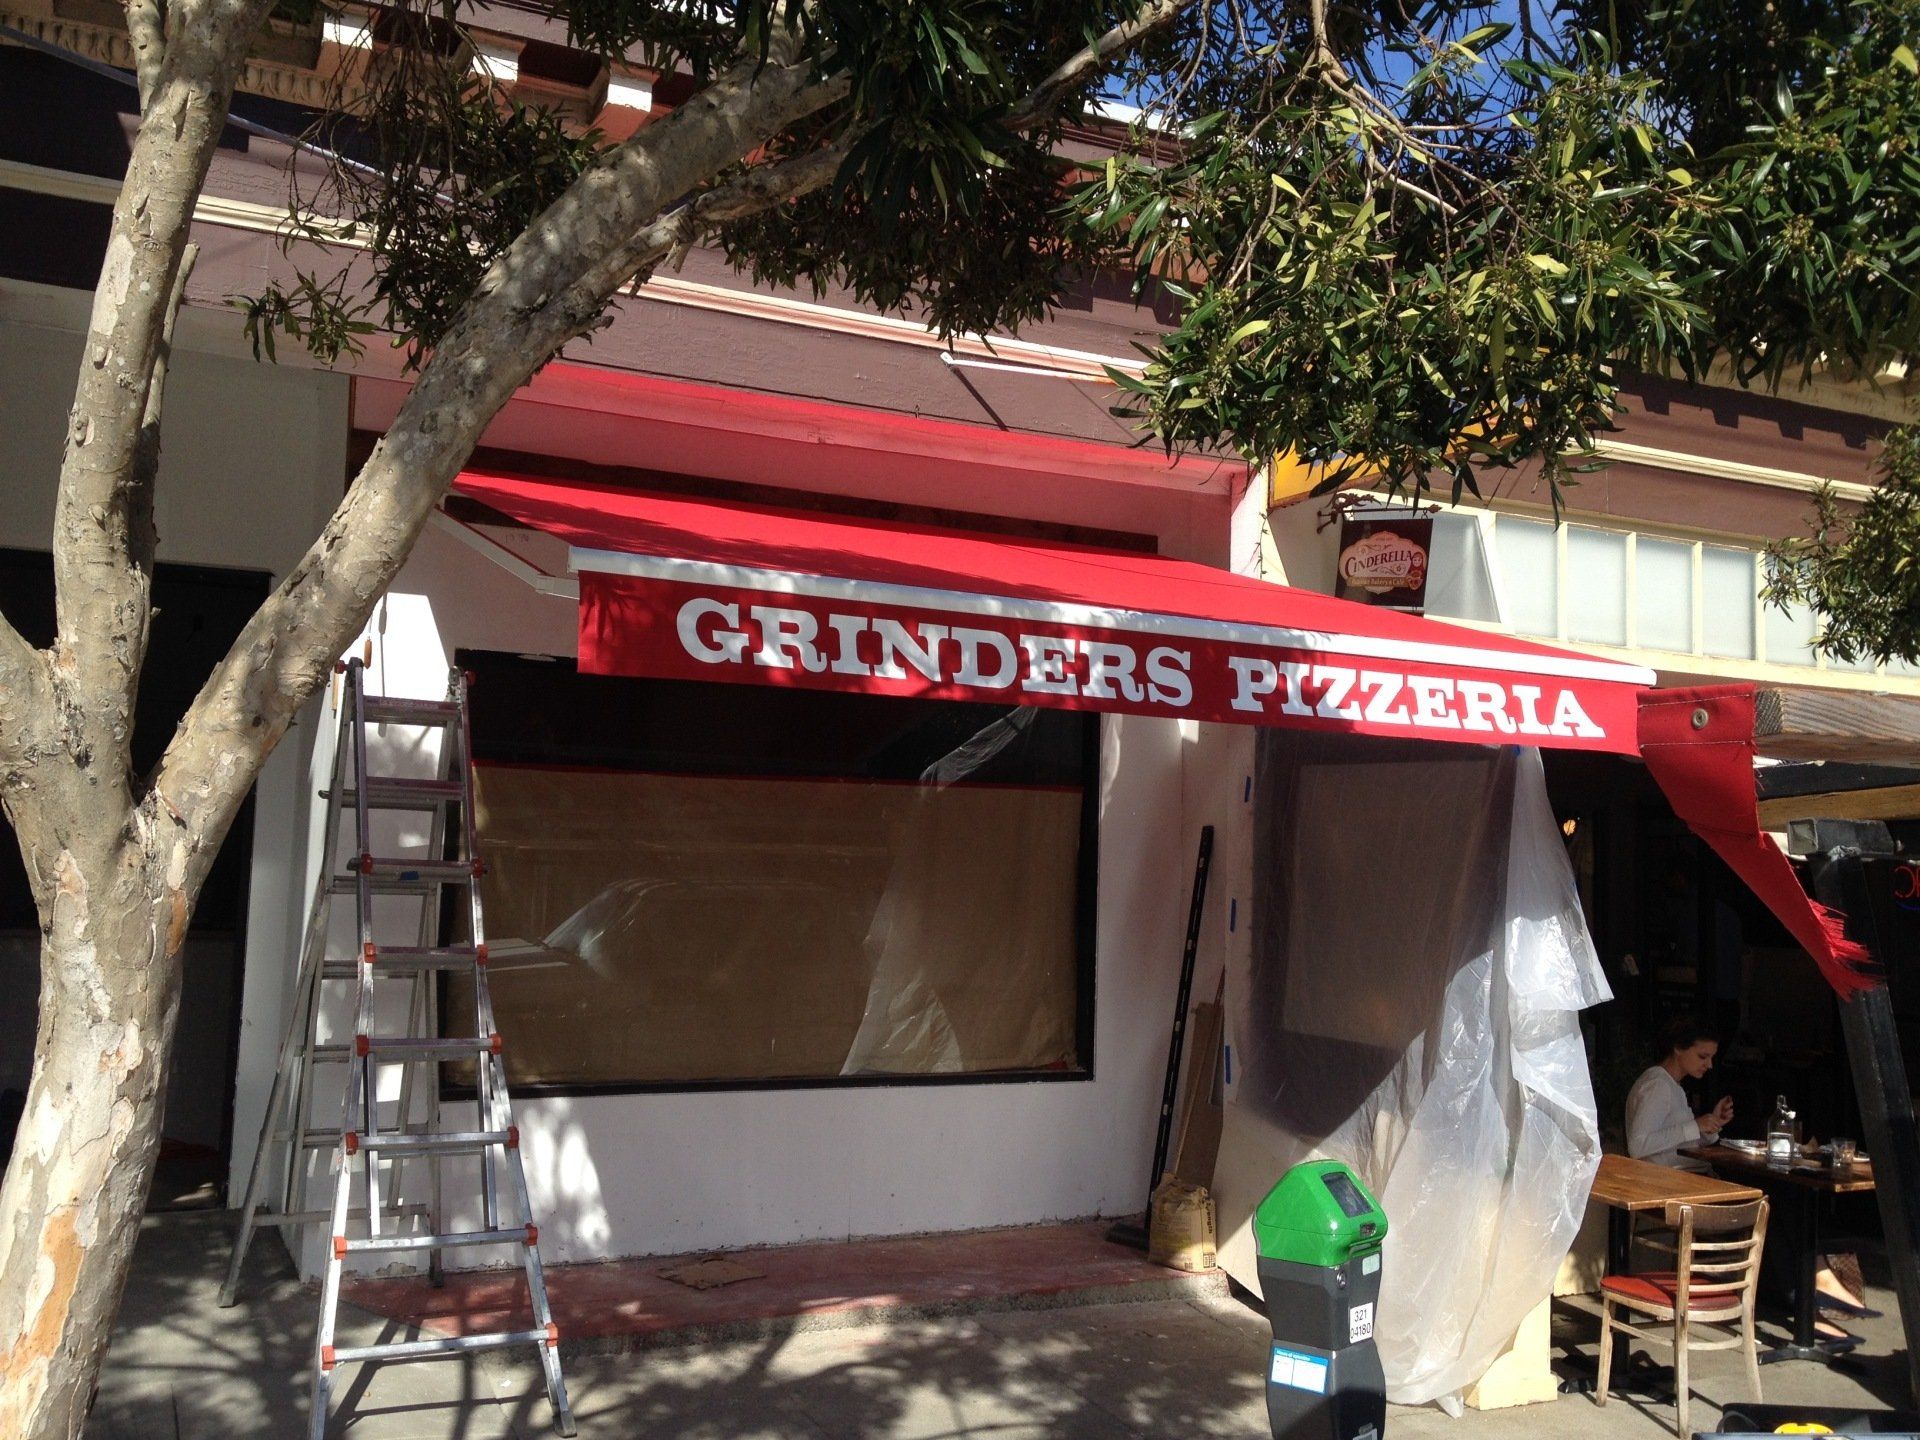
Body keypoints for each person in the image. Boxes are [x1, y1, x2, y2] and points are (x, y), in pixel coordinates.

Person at [1625, 1019, 1733, 1170]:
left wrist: (1710, 1125)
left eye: (1711, 1058)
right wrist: (1694, 1126)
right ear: (1678, 1048)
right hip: (1665, 1184)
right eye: (1702, 1056)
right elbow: (1638, 1146)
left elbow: (1678, 1143)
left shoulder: (1672, 1085)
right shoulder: (1658, 1085)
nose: (1709, 1065)